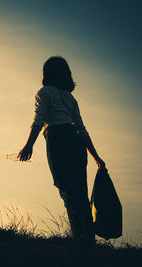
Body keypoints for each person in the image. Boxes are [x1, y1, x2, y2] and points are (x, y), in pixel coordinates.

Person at [18, 56, 106, 243]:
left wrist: (29, 145)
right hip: (76, 143)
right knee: (80, 192)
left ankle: (78, 238)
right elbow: (81, 130)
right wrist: (97, 157)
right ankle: (88, 239)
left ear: (46, 73)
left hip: (58, 139)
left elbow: (39, 120)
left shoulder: (44, 92)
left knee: (66, 189)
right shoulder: (71, 98)